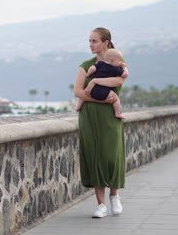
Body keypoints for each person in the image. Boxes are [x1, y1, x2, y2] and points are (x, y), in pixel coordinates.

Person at [74, 27, 128, 218]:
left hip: (111, 118)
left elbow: (119, 82)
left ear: (106, 42)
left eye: (94, 41)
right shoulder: (86, 65)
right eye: (89, 41)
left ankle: (114, 195)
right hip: (90, 116)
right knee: (95, 155)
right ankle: (101, 204)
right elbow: (78, 92)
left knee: (111, 156)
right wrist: (100, 98)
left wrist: (95, 83)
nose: (91, 44)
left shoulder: (117, 62)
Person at [75, 49, 128, 120]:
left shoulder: (100, 63)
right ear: (111, 61)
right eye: (119, 61)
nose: (120, 62)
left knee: (84, 93)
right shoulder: (115, 69)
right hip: (103, 91)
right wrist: (124, 67)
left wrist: (88, 74)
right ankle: (117, 113)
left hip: (92, 89)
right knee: (115, 99)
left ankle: (78, 107)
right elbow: (125, 75)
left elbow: (92, 68)